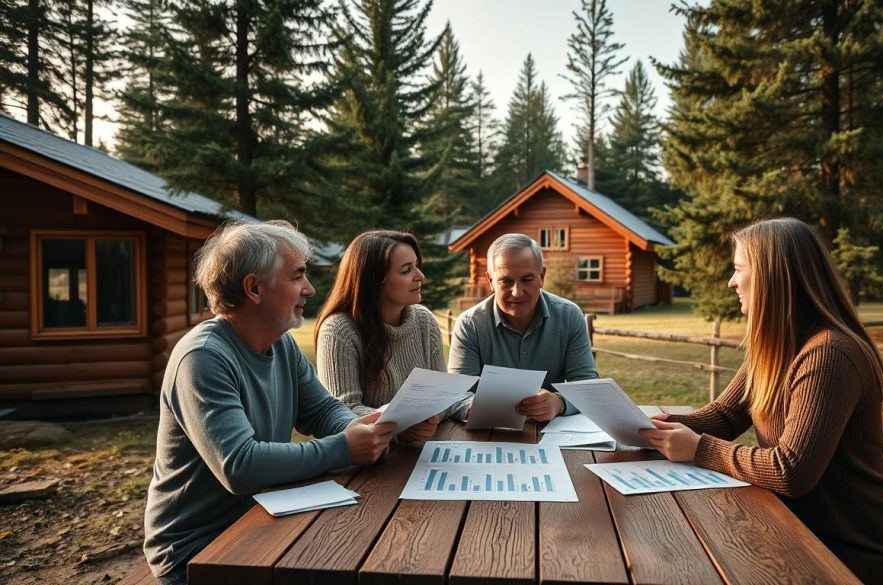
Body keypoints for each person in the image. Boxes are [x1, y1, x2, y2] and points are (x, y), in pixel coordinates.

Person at [639, 217, 883, 583]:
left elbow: (790, 471)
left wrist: (700, 449)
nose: (731, 282)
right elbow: (725, 415)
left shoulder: (829, 355)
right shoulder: (777, 344)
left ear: (772, 276)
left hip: (854, 550)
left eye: (738, 269)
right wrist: (645, 423)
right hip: (800, 527)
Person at [143, 221, 396, 585]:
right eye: (296, 277)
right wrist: (344, 448)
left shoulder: (281, 343)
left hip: (263, 515)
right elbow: (241, 466)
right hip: (197, 551)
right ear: (254, 288)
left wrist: (364, 427)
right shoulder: (202, 358)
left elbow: (322, 410)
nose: (309, 289)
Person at [315, 230, 452, 442]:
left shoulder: (424, 321)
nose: (420, 276)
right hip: (366, 463)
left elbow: (441, 396)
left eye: (417, 266)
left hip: (419, 452)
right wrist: (399, 427)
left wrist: (433, 417)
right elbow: (342, 410)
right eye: (407, 270)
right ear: (374, 280)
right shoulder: (338, 331)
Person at [448, 233, 598, 422]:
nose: (517, 292)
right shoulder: (469, 325)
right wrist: (479, 409)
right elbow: (455, 395)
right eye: (506, 281)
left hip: (552, 434)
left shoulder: (569, 316)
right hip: (488, 433)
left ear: (541, 276)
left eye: (527, 280)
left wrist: (559, 403)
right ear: (490, 281)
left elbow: (587, 385)